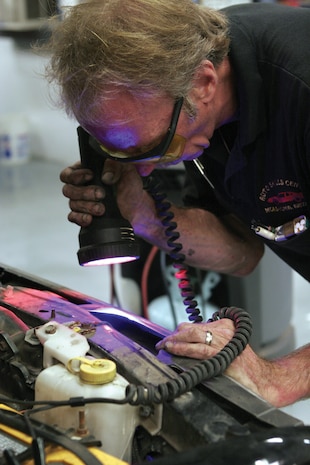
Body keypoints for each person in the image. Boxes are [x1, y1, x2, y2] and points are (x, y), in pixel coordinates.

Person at [44, 0, 310, 408]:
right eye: (116, 150)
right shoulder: (196, 98)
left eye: (151, 147)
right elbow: (243, 252)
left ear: (204, 83)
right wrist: (142, 215)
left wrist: (278, 378)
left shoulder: (300, 90)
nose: (145, 168)